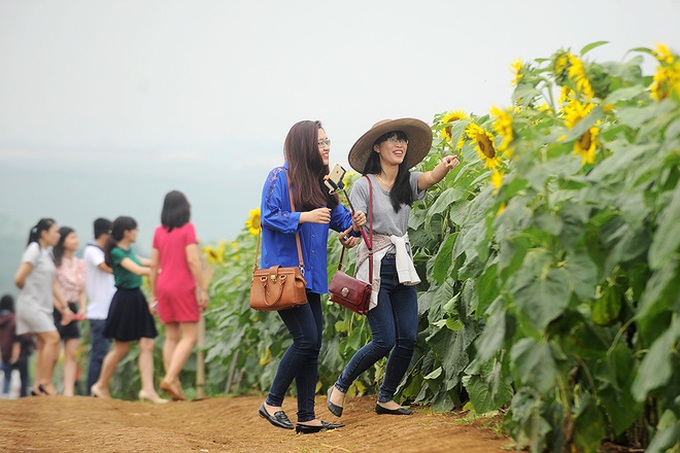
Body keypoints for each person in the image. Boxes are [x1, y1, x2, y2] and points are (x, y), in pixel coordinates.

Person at [327, 118, 460, 417]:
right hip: (376, 267)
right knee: (384, 340)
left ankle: (385, 398)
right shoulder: (364, 186)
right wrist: (356, 225)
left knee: (408, 338)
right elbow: (354, 224)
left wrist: (445, 165)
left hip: (402, 264)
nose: (400, 144)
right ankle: (340, 386)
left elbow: (430, 178)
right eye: (392, 139)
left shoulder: (407, 182)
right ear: (378, 147)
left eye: (403, 139)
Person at [257, 120, 366, 434]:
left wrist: (354, 226)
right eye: (320, 142)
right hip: (286, 276)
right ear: (304, 145)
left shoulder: (322, 183)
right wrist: (303, 216)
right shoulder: (280, 177)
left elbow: (341, 220)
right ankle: (272, 402)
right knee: (306, 339)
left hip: (311, 277)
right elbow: (269, 216)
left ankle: (307, 416)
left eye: (327, 140)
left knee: (312, 343)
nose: (327, 146)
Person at [90, 216, 167, 404]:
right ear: (127, 232)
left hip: (137, 298)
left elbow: (144, 261)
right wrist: (161, 273)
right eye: (135, 229)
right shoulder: (116, 252)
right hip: (124, 300)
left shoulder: (128, 249)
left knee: (147, 344)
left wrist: (164, 265)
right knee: (121, 348)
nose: (137, 232)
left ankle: (148, 390)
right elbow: (138, 270)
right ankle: (100, 385)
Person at [149, 190, 209, 401]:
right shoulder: (187, 229)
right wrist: (202, 288)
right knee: (189, 336)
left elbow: (154, 265)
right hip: (183, 287)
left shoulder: (159, 232)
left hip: (164, 286)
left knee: (171, 336)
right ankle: (171, 378)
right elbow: (193, 260)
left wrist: (153, 295)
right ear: (185, 208)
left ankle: (173, 383)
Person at [14, 218, 74, 396]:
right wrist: (29, 292)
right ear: (44, 233)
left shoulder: (47, 254)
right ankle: (45, 383)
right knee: (53, 338)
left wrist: (64, 307)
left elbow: (53, 284)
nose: (58, 235)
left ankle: (38, 385)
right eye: (55, 232)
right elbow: (19, 279)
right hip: (31, 305)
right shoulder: (34, 250)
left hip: (43, 306)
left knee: (44, 342)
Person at [83, 218, 116, 395]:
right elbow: (104, 266)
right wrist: (125, 266)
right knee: (98, 355)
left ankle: (98, 389)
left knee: (103, 354)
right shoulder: (92, 251)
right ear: (106, 234)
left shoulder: (100, 251)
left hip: (105, 313)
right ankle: (93, 392)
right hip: (99, 313)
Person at [52, 226, 87, 396]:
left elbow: (81, 290)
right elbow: (50, 289)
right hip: (56, 308)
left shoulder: (80, 263)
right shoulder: (55, 262)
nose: (76, 240)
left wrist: (82, 307)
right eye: (72, 237)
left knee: (72, 352)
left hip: (72, 308)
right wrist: (62, 309)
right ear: (63, 241)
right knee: (52, 350)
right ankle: (45, 386)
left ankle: (68, 391)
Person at [0, 294, 34, 398]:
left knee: (7, 377)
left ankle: (4, 396)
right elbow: (20, 338)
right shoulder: (15, 319)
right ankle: (23, 397)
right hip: (20, 355)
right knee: (23, 378)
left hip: (4, 355)